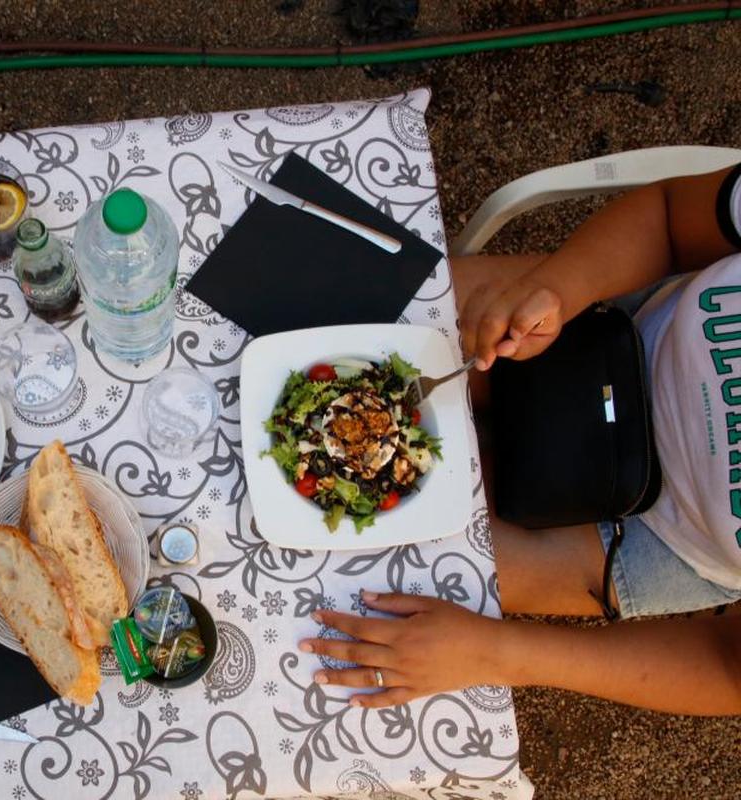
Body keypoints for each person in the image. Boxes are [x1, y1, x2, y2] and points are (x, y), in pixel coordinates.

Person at [301, 162, 741, 715]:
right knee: (311, 317)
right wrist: (557, 287)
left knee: (328, 571)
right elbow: (672, 218)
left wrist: (496, 651)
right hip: (614, 333)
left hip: (653, 533)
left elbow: (730, 666)